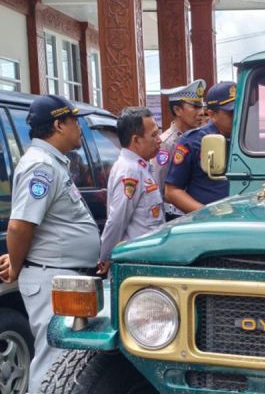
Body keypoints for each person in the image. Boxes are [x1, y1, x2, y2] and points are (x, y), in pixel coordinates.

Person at [0, 94, 100, 392]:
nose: (79, 127)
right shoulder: (40, 166)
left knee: (69, 359)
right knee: (55, 358)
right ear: (58, 124)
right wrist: (16, 264)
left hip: (63, 275)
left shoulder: (51, 163)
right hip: (53, 277)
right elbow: (20, 225)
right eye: (74, 121)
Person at [97, 107, 164, 274]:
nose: (159, 140)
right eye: (154, 135)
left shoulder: (141, 167)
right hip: (136, 264)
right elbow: (117, 219)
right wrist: (106, 257)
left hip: (149, 260)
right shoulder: (129, 171)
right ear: (136, 140)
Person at [164, 81, 235, 214]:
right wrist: (206, 213)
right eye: (231, 113)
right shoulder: (193, 141)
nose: (238, 117)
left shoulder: (247, 140)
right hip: (211, 224)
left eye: (241, 111)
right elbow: (172, 191)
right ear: (212, 115)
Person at [155, 79, 206, 220]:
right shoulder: (166, 143)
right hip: (175, 216)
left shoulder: (201, 138)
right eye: (195, 107)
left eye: (201, 106)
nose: (201, 112)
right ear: (177, 110)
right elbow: (159, 187)